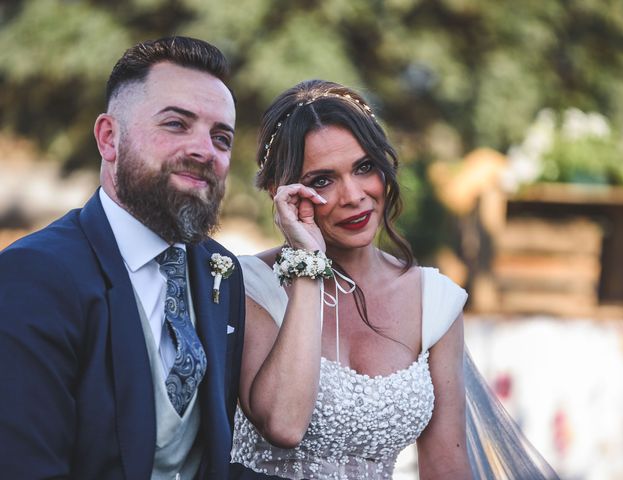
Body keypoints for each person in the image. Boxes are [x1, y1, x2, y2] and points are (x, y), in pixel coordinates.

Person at [229, 80, 559, 479]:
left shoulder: (433, 302)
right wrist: (308, 266)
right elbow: (283, 424)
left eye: (364, 167)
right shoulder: (247, 286)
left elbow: (446, 466)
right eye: (322, 180)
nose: (353, 195)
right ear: (278, 192)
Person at [0, 36, 245, 479]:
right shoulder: (35, 275)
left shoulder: (220, 271)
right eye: (176, 124)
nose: (204, 150)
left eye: (221, 137)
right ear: (109, 138)